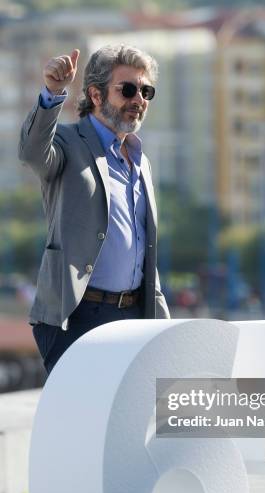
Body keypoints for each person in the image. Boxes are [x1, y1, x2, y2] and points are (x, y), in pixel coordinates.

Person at [19, 44, 170, 375]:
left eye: (146, 91)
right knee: (79, 422)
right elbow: (32, 153)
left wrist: (161, 322)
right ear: (96, 95)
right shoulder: (69, 142)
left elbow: (145, 249)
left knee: (127, 422)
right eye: (127, 89)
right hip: (76, 317)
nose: (139, 100)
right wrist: (52, 94)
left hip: (133, 317)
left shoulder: (139, 161)